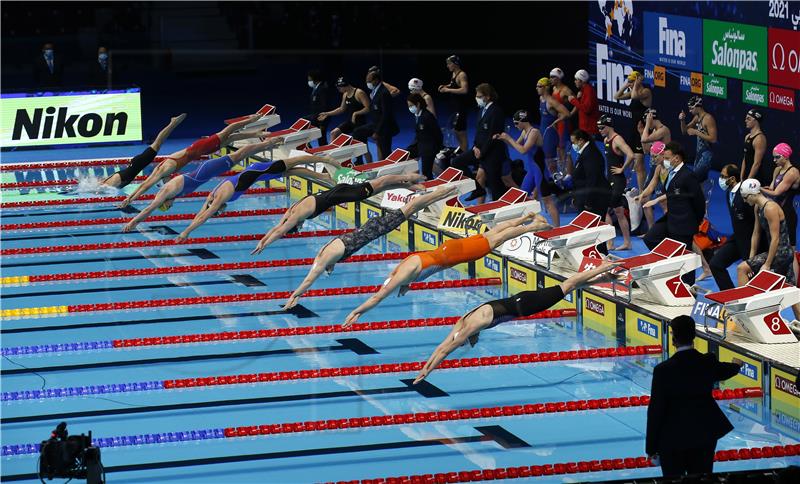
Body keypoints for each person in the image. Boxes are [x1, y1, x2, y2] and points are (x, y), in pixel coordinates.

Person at [413, 261, 618, 383]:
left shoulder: (468, 329)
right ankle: (604, 277)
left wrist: (428, 371)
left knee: (569, 284)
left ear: (465, 337)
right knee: (569, 288)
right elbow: (441, 346)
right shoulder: (463, 322)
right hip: (521, 299)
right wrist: (426, 367)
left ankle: (602, 267)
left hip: (527, 305)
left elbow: (446, 350)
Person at [343, 212, 552, 326]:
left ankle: (536, 226)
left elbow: (377, 298)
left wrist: (357, 312)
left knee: (498, 238)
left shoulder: (403, 275)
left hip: (454, 255)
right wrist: (405, 285)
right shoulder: (400, 270)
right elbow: (397, 278)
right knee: (494, 233)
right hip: (448, 248)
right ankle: (528, 218)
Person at [282, 185, 459, 309]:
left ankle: (444, 192)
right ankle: (442, 193)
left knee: (412, 206)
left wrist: (295, 295)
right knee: (411, 208)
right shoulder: (325, 253)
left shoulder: (324, 259)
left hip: (375, 229)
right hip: (371, 227)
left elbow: (308, 280)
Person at [122, 136, 286, 232]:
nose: (171, 206)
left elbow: (149, 208)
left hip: (207, 170)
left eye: (168, 206)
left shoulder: (164, 193)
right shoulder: (173, 194)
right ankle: (265, 142)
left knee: (240, 154)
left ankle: (268, 143)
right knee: (239, 155)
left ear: (165, 202)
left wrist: (133, 222)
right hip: (208, 172)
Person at [646, 315, 741, 478]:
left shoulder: (663, 370)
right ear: (694, 336)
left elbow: (656, 410)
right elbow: (724, 371)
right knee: (703, 478)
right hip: (704, 435)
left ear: (673, 338)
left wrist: (651, 447)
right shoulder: (706, 362)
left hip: (672, 439)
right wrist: (737, 365)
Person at [175, 154, 342, 241]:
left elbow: (204, 216)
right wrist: (187, 228)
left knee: (295, 162)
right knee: (291, 171)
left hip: (262, 169)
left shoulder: (220, 197)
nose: (220, 211)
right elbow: (201, 213)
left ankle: (325, 159)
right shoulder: (212, 197)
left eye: (218, 212)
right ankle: (324, 177)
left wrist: (186, 232)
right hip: (259, 174)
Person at [251, 173, 426, 253]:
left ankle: (413, 177)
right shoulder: (291, 210)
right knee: (378, 188)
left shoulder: (296, 217)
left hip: (344, 194)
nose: (301, 225)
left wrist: (266, 244)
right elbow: (277, 227)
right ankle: (409, 185)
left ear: (295, 225)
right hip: (337, 190)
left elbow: (280, 231)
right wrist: (262, 241)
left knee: (380, 182)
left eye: (299, 226)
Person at [120, 113, 266, 207]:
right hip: (202, 150)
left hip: (199, 147)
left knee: (227, 132)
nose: (169, 183)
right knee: (231, 138)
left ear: (162, 179)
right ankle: (255, 133)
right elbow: (148, 184)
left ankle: (251, 118)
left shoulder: (165, 169)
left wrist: (130, 199)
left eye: (165, 183)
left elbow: (145, 185)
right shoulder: (165, 170)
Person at [643, 142, 706, 284]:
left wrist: (695, 221)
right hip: (671, 217)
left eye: (667, 157)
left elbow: (699, 201)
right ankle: (668, 264)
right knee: (650, 238)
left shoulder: (688, 175)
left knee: (685, 257)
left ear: (676, 158)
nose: (664, 160)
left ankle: (688, 287)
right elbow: (672, 193)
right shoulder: (671, 172)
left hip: (684, 222)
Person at [496, 110, 559, 225]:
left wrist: (509, 139)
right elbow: (516, 145)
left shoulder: (534, 132)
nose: (515, 126)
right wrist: (504, 138)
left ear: (522, 121)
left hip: (540, 171)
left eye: (516, 123)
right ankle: (527, 223)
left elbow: (523, 150)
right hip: (532, 171)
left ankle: (558, 230)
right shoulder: (525, 132)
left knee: (548, 202)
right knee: (522, 197)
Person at [451, 83, 508, 202]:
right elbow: (479, 133)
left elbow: (493, 135)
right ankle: (477, 188)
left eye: (479, 96)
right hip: (479, 150)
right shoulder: (482, 111)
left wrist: (482, 152)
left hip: (492, 154)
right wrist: (475, 147)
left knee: (495, 187)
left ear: (487, 96)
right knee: (457, 161)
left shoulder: (496, 111)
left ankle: (501, 210)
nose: (477, 98)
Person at [101, 114, 186, 189]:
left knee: (157, 143)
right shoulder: (108, 183)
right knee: (158, 144)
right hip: (133, 166)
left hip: (137, 164)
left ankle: (173, 123)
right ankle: (173, 123)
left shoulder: (109, 185)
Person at [709, 165, 759, 290]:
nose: (720, 179)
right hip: (737, 238)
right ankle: (729, 298)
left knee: (753, 280)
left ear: (732, 178)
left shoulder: (745, 195)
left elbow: (757, 223)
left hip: (751, 242)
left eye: (723, 176)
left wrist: (753, 252)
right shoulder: (728, 194)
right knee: (716, 264)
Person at [737, 179, 796, 285]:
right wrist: (751, 259)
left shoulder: (770, 208)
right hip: (779, 252)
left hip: (782, 253)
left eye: (745, 197)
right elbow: (756, 233)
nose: (745, 201)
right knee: (789, 290)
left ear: (753, 195)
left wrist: (767, 264)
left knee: (741, 269)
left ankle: (743, 301)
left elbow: (775, 238)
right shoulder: (758, 207)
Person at [597, 115, 635, 251]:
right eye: (598, 128)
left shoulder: (617, 139)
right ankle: (627, 243)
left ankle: (610, 243)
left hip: (618, 181)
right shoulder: (606, 139)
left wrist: (622, 169)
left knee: (604, 209)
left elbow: (631, 155)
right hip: (610, 180)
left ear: (608, 126)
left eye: (602, 128)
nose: (600, 130)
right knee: (618, 212)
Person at [614, 71, 652, 191]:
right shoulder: (633, 91)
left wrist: (635, 84)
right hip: (632, 130)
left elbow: (635, 96)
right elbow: (617, 96)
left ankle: (642, 193)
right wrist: (626, 85)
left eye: (631, 81)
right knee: (631, 161)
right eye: (629, 81)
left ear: (638, 81)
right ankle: (627, 187)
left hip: (642, 131)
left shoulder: (646, 92)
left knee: (639, 165)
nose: (630, 83)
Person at [353, 69, 400, 163]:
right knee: (358, 132)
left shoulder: (384, 93)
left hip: (385, 127)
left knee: (385, 152)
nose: (367, 83)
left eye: (369, 81)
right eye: (366, 81)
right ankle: (359, 161)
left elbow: (386, 114)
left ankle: (391, 171)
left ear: (376, 80)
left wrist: (377, 132)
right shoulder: (375, 91)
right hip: (376, 124)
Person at [639, 109, 672, 228]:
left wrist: (647, 125)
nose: (645, 122)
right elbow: (646, 150)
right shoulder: (653, 131)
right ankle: (651, 229)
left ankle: (670, 231)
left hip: (664, 168)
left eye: (647, 120)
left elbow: (644, 139)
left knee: (664, 203)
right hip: (654, 168)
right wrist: (642, 132)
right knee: (644, 199)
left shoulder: (663, 130)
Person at [761, 143, 798, 247]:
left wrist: (758, 189)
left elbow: (776, 193)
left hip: (787, 214)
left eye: (777, 157)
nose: (774, 160)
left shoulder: (793, 173)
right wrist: (762, 188)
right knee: (774, 243)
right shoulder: (777, 169)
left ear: (785, 156)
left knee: (790, 249)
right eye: (773, 157)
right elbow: (772, 188)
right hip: (776, 212)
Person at [570, 129, 611, 221]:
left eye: (574, 142)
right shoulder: (585, 152)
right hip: (585, 197)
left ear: (581, 140)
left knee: (595, 230)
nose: (573, 145)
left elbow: (592, 179)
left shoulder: (590, 154)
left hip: (595, 200)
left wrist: (588, 202)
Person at [537, 78, 571, 185]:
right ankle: (554, 181)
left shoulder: (551, 101)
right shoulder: (541, 99)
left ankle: (561, 183)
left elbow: (566, 113)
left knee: (550, 158)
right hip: (543, 131)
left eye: (539, 86)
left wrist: (556, 121)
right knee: (545, 159)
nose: (536, 88)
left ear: (546, 88)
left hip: (550, 133)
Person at [679, 96, 717, 183]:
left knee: (693, 180)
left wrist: (696, 132)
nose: (689, 111)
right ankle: (702, 196)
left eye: (691, 108)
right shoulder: (697, 118)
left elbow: (713, 139)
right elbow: (684, 131)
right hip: (699, 154)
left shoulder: (708, 119)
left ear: (697, 106)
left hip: (706, 155)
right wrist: (682, 120)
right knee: (698, 182)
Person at [405, 92, 443, 180]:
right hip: (420, 145)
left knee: (426, 173)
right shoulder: (419, 115)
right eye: (409, 106)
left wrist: (437, 149)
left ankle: (431, 188)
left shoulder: (427, 117)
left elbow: (438, 134)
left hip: (429, 149)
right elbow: (420, 135)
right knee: (406, 156)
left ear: (417, 104)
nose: (409, 108)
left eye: (411, 105)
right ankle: (413, 180)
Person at [636, 142, 669, 236]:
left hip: (679, 205)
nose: (652, 160)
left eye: (655, 157)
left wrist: (655, 200)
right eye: (651, 157)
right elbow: (651, 186)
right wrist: (641, 195)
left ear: (663, 154)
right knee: (665, 208)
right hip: (668, 206)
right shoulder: (659, 168)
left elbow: (673, 192)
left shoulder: (671, 169)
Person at [438, 55, 470, 151]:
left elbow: (464, 90)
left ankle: (465, 153)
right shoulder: (454, 74)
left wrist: (447, 90)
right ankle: (462, 150)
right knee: (456, 131)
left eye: (449, 64)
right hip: (456, 107)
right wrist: (445, 86)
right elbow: (454, 85)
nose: (447, 66)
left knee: (461, 132)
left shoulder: (462, 75)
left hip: (462, 108)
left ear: (455, 64)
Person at [741, 109, 772, 187]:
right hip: (746, 175)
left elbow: (757, 163)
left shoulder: (760, 139)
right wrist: (741, 176)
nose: (745, 121)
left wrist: (748, 181)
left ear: (755, 121)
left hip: (755, 178)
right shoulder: (747, 136)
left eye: (748, 119)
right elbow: (745, 158)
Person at [568, 69, 600, 135]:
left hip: (589, 129)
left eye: (576, 80)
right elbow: (582, 106)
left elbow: (587, 109)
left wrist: (573, 101)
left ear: (581, 80)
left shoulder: (588, 91)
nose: (574, 82)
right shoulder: (583, 90)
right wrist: (578, 99)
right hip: (585, 128)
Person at [305, 69, 331, 146]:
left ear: (315, 79)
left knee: (321, 138)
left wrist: (322, 123)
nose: (309, 81)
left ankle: (325, 154)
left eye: (309, 79)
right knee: (303, 122)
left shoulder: (322, 89)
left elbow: (325, 107)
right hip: (315, 116)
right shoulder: (316, 88)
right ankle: (307, 146)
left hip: (321, 118)